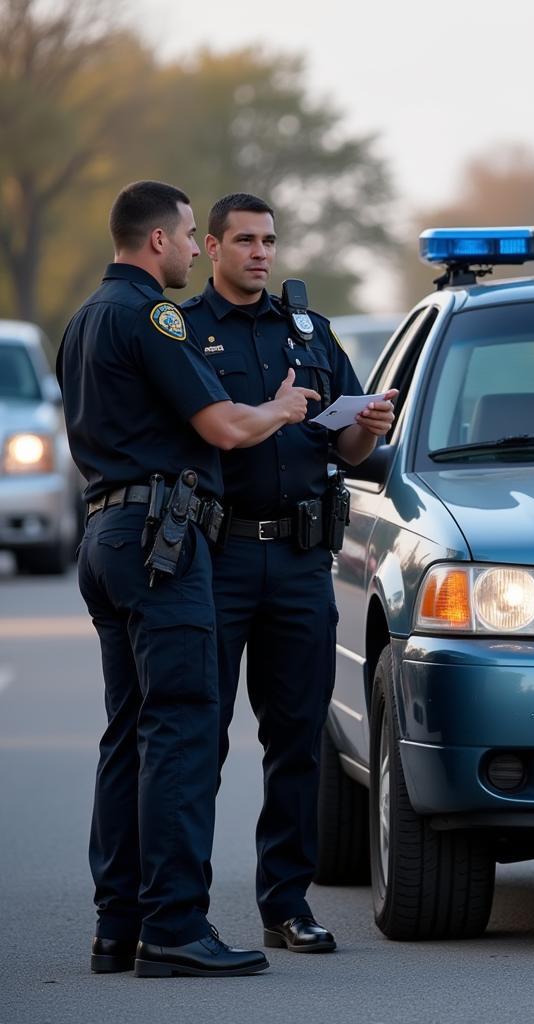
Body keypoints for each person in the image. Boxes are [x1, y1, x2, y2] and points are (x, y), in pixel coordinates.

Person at [58, 180, 320, 978]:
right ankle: (174, 926)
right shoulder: (151, 314)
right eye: (183, 234)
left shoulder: (79, 322)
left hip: (107, 532)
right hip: (158, 541)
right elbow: (225, 427)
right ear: (163, 242)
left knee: (129, 734)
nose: (185, 248)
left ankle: (119, 926)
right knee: (180, 728)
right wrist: (280, 408)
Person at [183, 193, 397, 953]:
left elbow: (345, 450)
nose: (261, 253)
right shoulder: (189, 333)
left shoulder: (310, 333)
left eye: (269, 241)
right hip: (221, 557)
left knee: (298, 739)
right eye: (245, 240)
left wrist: (364, 429)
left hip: (304, 560)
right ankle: (186, 910)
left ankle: (286, 904)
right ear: (211, 248)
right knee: (199, 740)